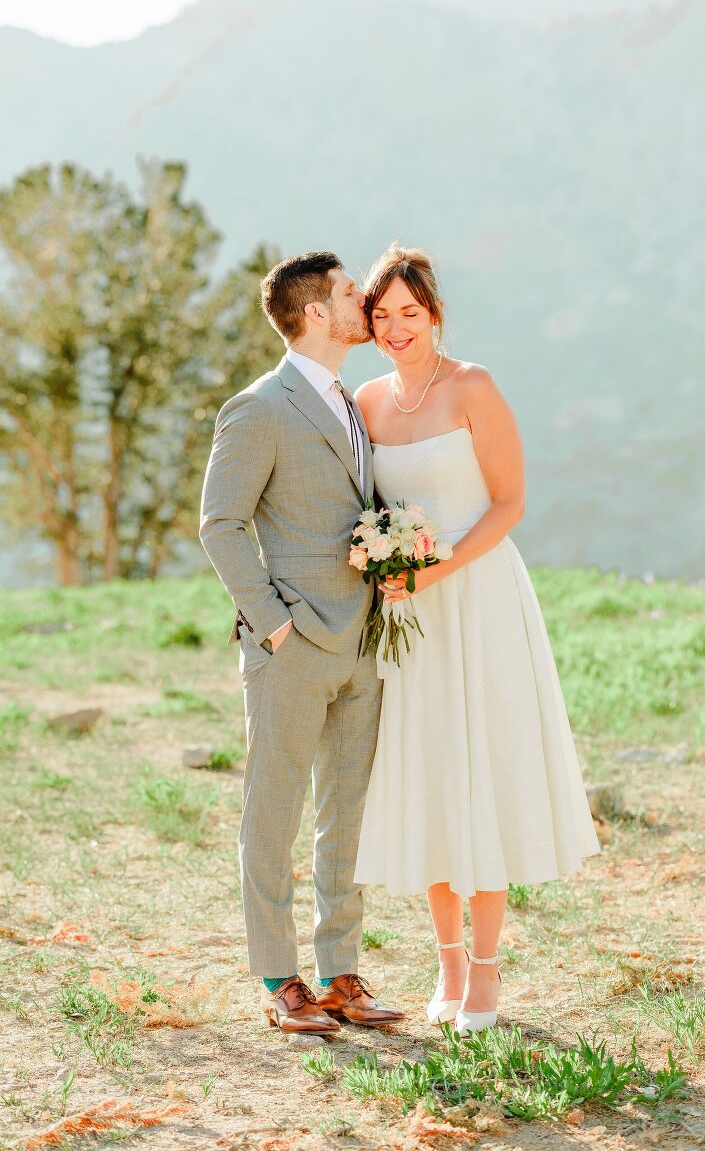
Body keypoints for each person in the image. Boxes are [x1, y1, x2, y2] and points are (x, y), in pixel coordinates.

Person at [353, 244, 600, 1036]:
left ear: (435, 312)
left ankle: (488, 972)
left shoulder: (474, 386)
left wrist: (440, 568)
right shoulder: (366, 404)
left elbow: (509, 502)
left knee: (483, 771)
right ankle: (448, 962)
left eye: (409, 313)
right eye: (382, 315)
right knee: (430, 772)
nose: (395, 328)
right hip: (412, 623)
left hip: (481, 596)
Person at [200, 251, 404, 1035]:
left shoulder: (352, 402)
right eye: (354, 292)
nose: (366, 300)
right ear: (317, 311)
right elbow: (219, 524)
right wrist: (272, 621)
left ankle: (339, 970)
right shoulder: (259, 406)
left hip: (361, 643)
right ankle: (280, 977)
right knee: (274, 809)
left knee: (345, 813)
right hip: (290, 646)